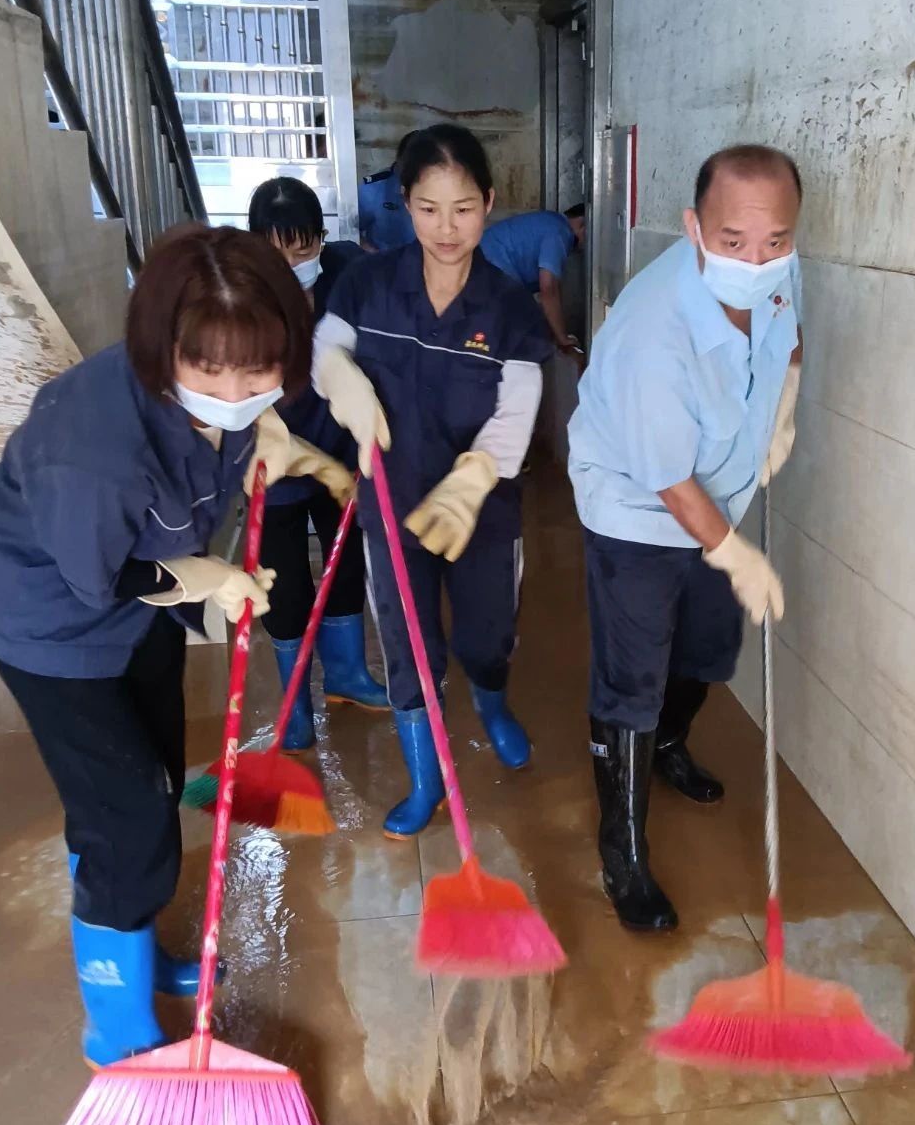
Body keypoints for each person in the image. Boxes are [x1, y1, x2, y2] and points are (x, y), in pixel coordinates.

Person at [0, 226, 351, 1064]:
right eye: (210, 367)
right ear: (162, 347)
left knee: (156, 780)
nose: (238, 387)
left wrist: (280, 447)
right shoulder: (95, 446)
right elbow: (96, 580)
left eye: (260, 367)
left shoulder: (236, 404)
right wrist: (210, 577)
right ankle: (114, 1023)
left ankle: (131, 935)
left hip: (136, 619)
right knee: (129, 813)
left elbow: (242, 436)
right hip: (53, 625)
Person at [567, 145, 803, 933]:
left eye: (775, 241)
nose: (756, 259)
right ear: (693, 227)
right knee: (633, 673)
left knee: (705, 648)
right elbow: (669, 483)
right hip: (636, 508)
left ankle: (669, 740)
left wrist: (786, 408)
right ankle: (623, 853)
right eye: (734, 241)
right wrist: (738, 557)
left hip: (720, 495)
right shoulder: (652, 331)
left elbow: (789, 338)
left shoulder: (777, 272)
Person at [313, 124, 554, 837]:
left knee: (485, 636)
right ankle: (427, 781)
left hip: (482, 510)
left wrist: (477, 474)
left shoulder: (509, 306)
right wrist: (338, 377)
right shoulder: (367, 283)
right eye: (427, 208)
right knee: (410, 637)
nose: (446, 229)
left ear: (489, 201)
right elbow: (329, 344)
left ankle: (492, 701)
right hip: (391, 498)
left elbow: (519, 403)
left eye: (462, 208)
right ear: (404, 205)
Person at [247, 177, 389, 747]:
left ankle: (349, 676)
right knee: (284, 583)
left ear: (322, 238)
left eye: (303, 248)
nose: (292, 262)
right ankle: (294, 703)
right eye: (278, 250)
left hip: (338, 451)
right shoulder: (237, 293)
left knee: (345, 563)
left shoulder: (347, 272)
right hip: (274, 459)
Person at [480, 204, 586, 352]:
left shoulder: (550, 221)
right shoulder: (560, 232)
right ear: (583, 225)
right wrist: (563, 338)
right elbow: (548, 288)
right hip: (491, 270)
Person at [357, 130, 419, 253]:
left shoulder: (439, 189)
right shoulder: (372, 189)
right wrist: (375, 257)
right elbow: (351, 231)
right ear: (399, 159)